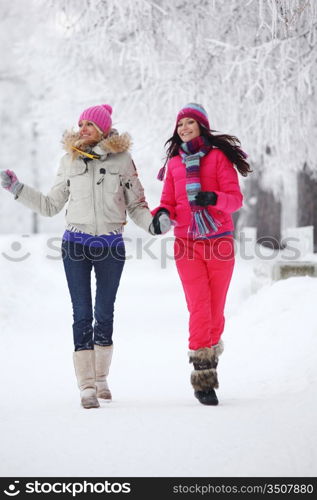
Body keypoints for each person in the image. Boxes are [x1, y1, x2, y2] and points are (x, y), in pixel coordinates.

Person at [0, 103, 169, 409]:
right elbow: (51, 205)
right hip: (74, 245)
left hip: (110, 246)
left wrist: (155, 225)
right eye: (80, 124)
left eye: (89, 124)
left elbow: (136, 206)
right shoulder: (69, 160)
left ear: (103, 128)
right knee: (81, 313)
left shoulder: (123, 160)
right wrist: (17, 188)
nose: (82, 129)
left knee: (104, 313)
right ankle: (86, 386)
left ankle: (101, 377)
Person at [151, 103, 251, 406]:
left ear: (202, 126)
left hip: (219, 241)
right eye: (180, 124)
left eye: (190, 122)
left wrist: (214, 198)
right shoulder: (175, 163)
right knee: (199, 305)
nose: (183, 128)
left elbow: (235, 200)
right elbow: (167, 200)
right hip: (186, 242)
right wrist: (161, 214)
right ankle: (203, 375)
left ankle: (210, 352)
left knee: (216, 309)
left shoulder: (219, 158)